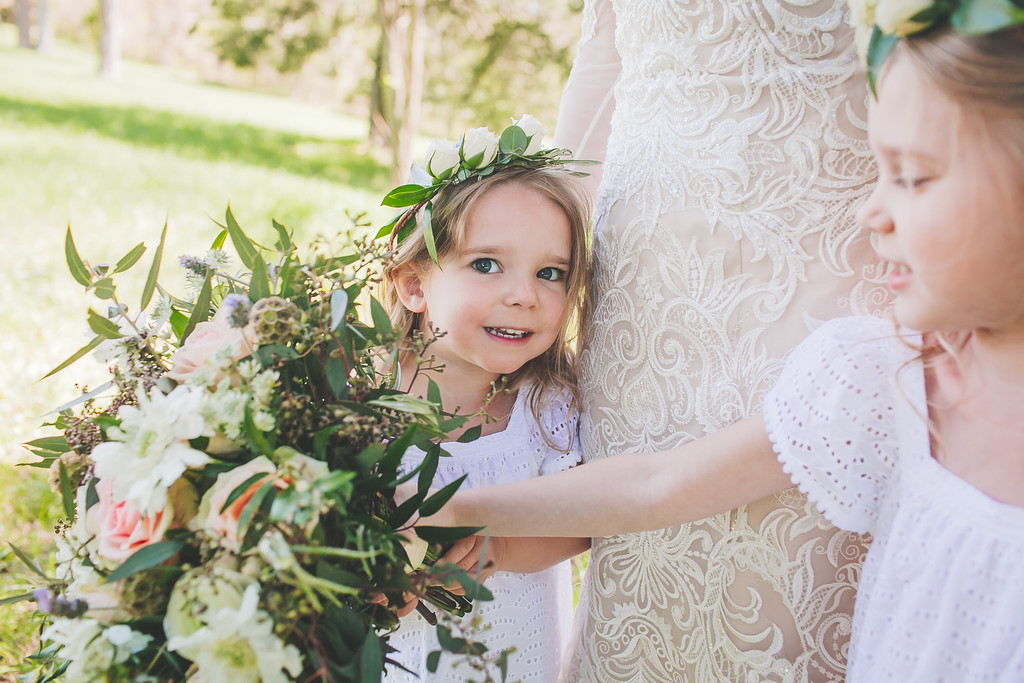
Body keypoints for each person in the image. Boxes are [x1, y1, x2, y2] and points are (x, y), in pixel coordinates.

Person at [412, 17, 1024, 682]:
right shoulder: (872, 376)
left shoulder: (875, 370)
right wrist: (452, 520)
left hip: (808, 254)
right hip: (656, 262)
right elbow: (654, 487)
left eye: (914, 177)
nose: (871, 212)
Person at [547, 0, 893, 679]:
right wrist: (544, 258)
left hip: (835, 257)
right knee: (640, 556)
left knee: (800, 553)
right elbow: (602, 58)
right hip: (648, 288)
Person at [379, 123, 592, 681]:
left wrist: (494, 551)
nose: (524, 295)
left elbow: (583, 522)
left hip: (510, 658)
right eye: (487, 264)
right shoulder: (362, 395)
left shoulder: (548, 409)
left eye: (551, 273)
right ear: (414, 285)